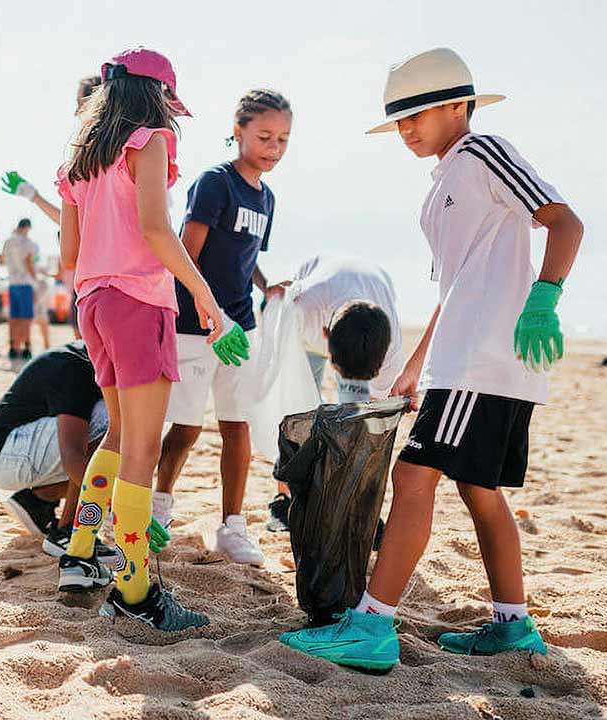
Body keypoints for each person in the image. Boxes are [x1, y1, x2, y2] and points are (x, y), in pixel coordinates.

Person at [281, 47, 583, 672]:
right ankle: (512, 625)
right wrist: (418, 362)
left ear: (457, 105)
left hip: (485, 358)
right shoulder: (444, 181)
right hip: (466, 358)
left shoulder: (482, 152)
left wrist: (545, 298)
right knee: (480, 490)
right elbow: (456, 287)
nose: (407, 128)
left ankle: (370, 627)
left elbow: (565, 222)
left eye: (418, 113)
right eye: (399, 119)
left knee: (413, 477)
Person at [55, 47, 242, 631]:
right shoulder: (151, 139)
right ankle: (134, 591)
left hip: (94, 303)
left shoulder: (80, 160)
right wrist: (206, 296)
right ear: (156, 95)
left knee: (116, 434)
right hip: (140, 301)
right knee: (143, 449)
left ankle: (83, 550)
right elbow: (158, 230)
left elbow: (68, 256)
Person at [155, 89, 291, 566]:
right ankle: (160, 506)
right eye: (265, 136)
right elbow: (186, 257)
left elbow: (246, 258)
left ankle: (233, 526)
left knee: (239, 427)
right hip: (195, 325)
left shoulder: (267, 197)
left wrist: (267, 284)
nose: (274, 147)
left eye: (283, 139)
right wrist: (211, 318)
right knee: (186, 428)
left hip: (242, 327)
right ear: (239, 132)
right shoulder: (215, 183)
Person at [265, 255, 403, 532]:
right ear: (327, 338)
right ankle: (284, 499)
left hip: (361, 301)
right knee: (298, 412)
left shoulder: (391, 353)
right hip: (307, 326)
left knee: (361, 420)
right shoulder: (302, 307)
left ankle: (358, 505)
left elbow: (371, 424)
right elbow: (286, 401)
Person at [0, 340, 113, 558]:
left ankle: (39, 500)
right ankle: (68, 530)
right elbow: (73, 456)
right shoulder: (76, 365)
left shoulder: (88, 356)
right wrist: (121, 506)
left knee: (115, 424)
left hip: (11, 450)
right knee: (111, 419)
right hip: (3, 453)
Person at [0, 74, 102, 338]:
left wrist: (34, 196)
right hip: (108, 278)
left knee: (90, 354)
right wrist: (33, 196)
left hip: (94, 277)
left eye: (79, 102)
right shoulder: (126, 153)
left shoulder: (87, 156)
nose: (75, 111)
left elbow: (72, 237)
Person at [2, 218, 38, 362]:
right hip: (24, 282)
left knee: (14, 317)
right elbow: (29, 262)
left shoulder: (8, 241)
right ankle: (26, 348)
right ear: (27, 227)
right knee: (26, 318)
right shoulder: (27, 242)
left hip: (12, 283)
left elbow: (2, 260)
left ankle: (13, 347)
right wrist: (35, 279)